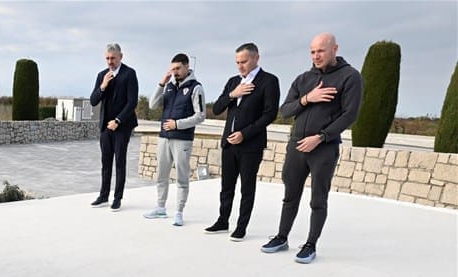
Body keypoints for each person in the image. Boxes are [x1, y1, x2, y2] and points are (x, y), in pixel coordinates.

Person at [261, 32, 363, 263]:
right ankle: (282, 237)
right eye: (313, 52)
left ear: (334, 49)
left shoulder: (350, 77)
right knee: (290, 196)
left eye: (321, 51)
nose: (316, 56)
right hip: (297, 145)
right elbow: (285, 111)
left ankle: (310, 245)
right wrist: (308, 98)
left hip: (323, 148)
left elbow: (350, 115)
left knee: (318, 199)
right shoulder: (303, 79)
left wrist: (321, 137)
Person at [205, 43, 280, 241]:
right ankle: (223, 221)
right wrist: (233, 94)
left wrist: (244, 134)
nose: (240, 66)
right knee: (226, 186)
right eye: (237, 62)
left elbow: (269, 114)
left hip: (250, 145)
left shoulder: (269, 81)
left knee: (247, 188)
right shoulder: (233, 82)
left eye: (244, 61)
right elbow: (218, 108)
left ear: (256, 58)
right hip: (229, 144)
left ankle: (241, 227)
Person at [142, 53, 205, 226]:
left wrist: (177, 124)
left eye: (178, 68)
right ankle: (160, 208)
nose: (175, 72)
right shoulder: (169, 87)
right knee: (161, 175)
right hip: (164, 138)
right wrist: (162, 83)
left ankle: (179, 212)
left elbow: (200, 116)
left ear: (187, 67)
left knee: (182, 178)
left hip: (182, 140)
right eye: (172, 69)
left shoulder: (196, 88)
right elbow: (153, 105)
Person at [89, 43, 139, 212]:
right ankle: (103, 196)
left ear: (120, 57)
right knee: (105, 162)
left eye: (113, 58)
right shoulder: (102, 75)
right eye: (107, 58)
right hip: (105, 127)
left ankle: (117, 198)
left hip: (122, 126)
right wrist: (103, 86)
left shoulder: (129, 74)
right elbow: (93, 100)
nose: (110, 61)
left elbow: (132, 102)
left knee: (119, 162)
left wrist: (118, 121)